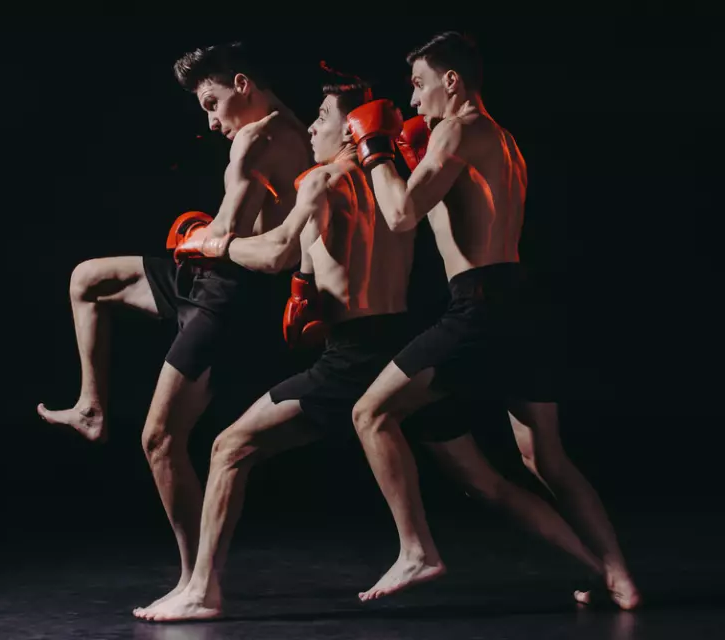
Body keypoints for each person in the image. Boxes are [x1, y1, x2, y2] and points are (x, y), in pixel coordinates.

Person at [132, 71, 605, 623]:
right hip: (401, 346)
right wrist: (305, 289)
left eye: (323, 119)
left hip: (354, 356)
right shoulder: (391, 181)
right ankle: (599, 570)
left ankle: (202, 591)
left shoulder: (321, 181)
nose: (311, 129)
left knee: (229, 449)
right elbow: (322, 257)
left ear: (352, 129)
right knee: (485, 482)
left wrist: (216, 243)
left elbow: (276, 253)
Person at [328, 31, 639, 609]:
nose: (413, 99)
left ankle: (416, 550)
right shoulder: (502, 139)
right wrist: (410, 161)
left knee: (370, 413)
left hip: (481, 304)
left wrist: (375, 148)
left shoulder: (456, 130)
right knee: (546, 458)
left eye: (419, 84)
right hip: (520, 301)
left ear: (451, 80)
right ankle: (619, 577)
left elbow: (399, 215)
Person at [36, 41, 313, 610]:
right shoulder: (290, 128)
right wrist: (203, 238)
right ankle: (91, 407)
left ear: (242, 84)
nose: (210, 122)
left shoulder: (257, 140)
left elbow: (226, 237)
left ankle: (196, 583)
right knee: (88, 279)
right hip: (206, 280)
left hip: (227, 296)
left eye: (212, 103)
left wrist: (199, 234)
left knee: (160, 440)